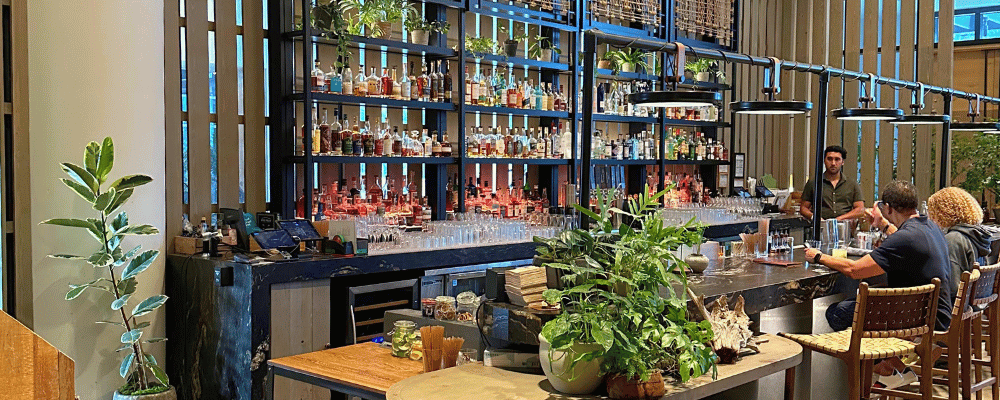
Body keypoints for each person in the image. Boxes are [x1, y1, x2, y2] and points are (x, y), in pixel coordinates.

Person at [805, 180, 952, 387]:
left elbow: (854, 270)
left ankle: (884, 367)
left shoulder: (905, 238)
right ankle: (896, 363)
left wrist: (818, 256)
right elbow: (902, 240)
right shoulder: (929, 227)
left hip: (918, 317)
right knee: (864, 305)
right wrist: (883, 224)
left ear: (889, 208)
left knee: (837, 312)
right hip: (935, 312)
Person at [927, 187, 992, 295]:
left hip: (957, 308)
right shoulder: (976, 235)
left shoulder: (953, 240)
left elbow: (952, 288)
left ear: (942, 212)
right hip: (976, 302)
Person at [800, 145, 866, 221]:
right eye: (829, 159)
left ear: (842, 162)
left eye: (837, 159)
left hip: (844, 226)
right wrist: (814, 217)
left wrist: (839, 219)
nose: (833, 163)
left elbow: (860, 209)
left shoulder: (852, 184)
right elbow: (803, 208)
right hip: (820, 226)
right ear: (824, 161)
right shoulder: (814, 183)